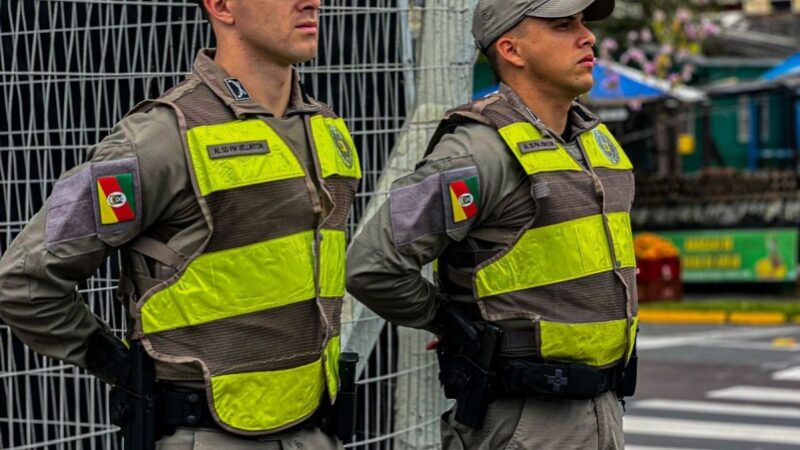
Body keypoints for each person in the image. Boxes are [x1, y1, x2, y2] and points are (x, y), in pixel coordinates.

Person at [0, 0, 361, 448]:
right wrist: (118, 366)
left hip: (315, 430)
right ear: (222, 6)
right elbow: (24, 282)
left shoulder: (328, 130)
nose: (312, 2)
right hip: (204, 434)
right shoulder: (162, 137)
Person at [346, 0, 637, 448]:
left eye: (583, 23)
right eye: (563, 26)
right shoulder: (477, 152)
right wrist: (451, 323)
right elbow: (372, 263)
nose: (588, 37)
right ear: (512, 49)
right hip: (523, 423)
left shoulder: (594, 142)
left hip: (603, 412)